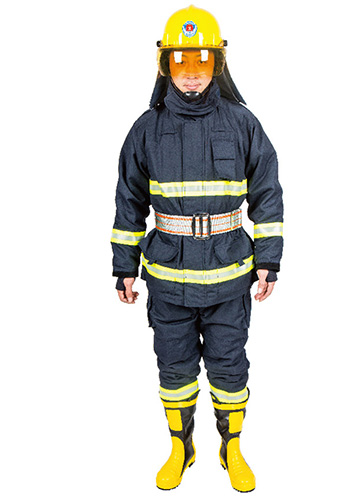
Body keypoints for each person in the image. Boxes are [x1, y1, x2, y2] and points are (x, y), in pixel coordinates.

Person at [111, 5, 283, 493]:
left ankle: (232, 447)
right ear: (165, 64)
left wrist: (269, 259)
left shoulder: (243, 123)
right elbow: (129, 201)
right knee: (174, 368)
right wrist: (124, 266)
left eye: (202, 60)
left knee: (230, 366)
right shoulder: (146, 129)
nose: (191, 72)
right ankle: (180, 448)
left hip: (230, 277)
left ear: (217, 64)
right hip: (168, 279)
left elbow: (267, 193)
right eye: (181, 60)